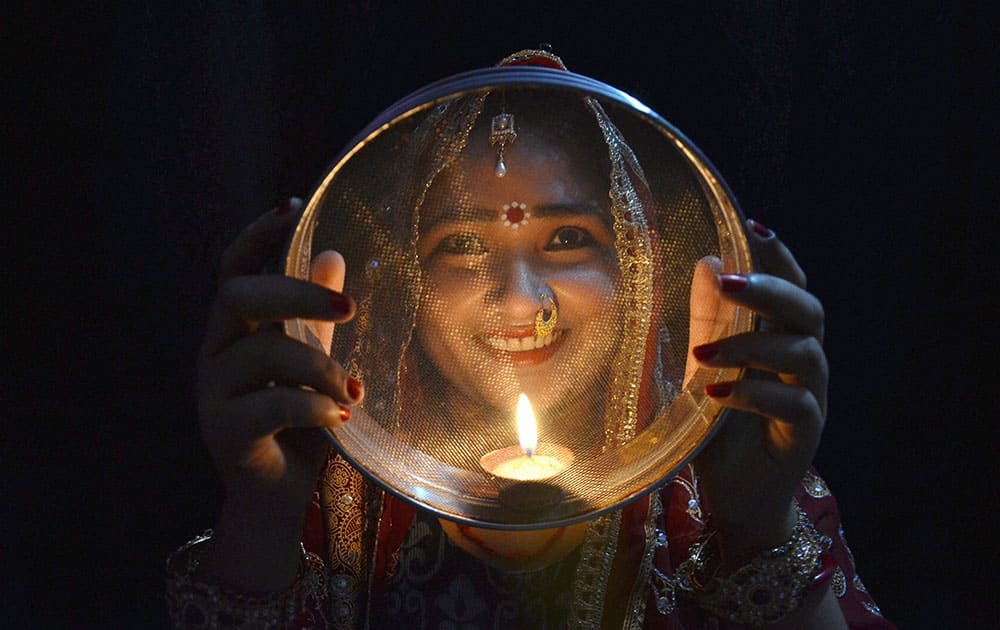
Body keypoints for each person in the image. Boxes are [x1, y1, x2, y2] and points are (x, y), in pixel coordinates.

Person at [167, 49, 894, 629]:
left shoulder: (732, 469)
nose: (521, 300)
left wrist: (756, 528)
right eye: (460, 245)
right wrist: (259, 523)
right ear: (404, 287)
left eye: (569, 238)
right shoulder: (326, 489)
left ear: (640, 265)